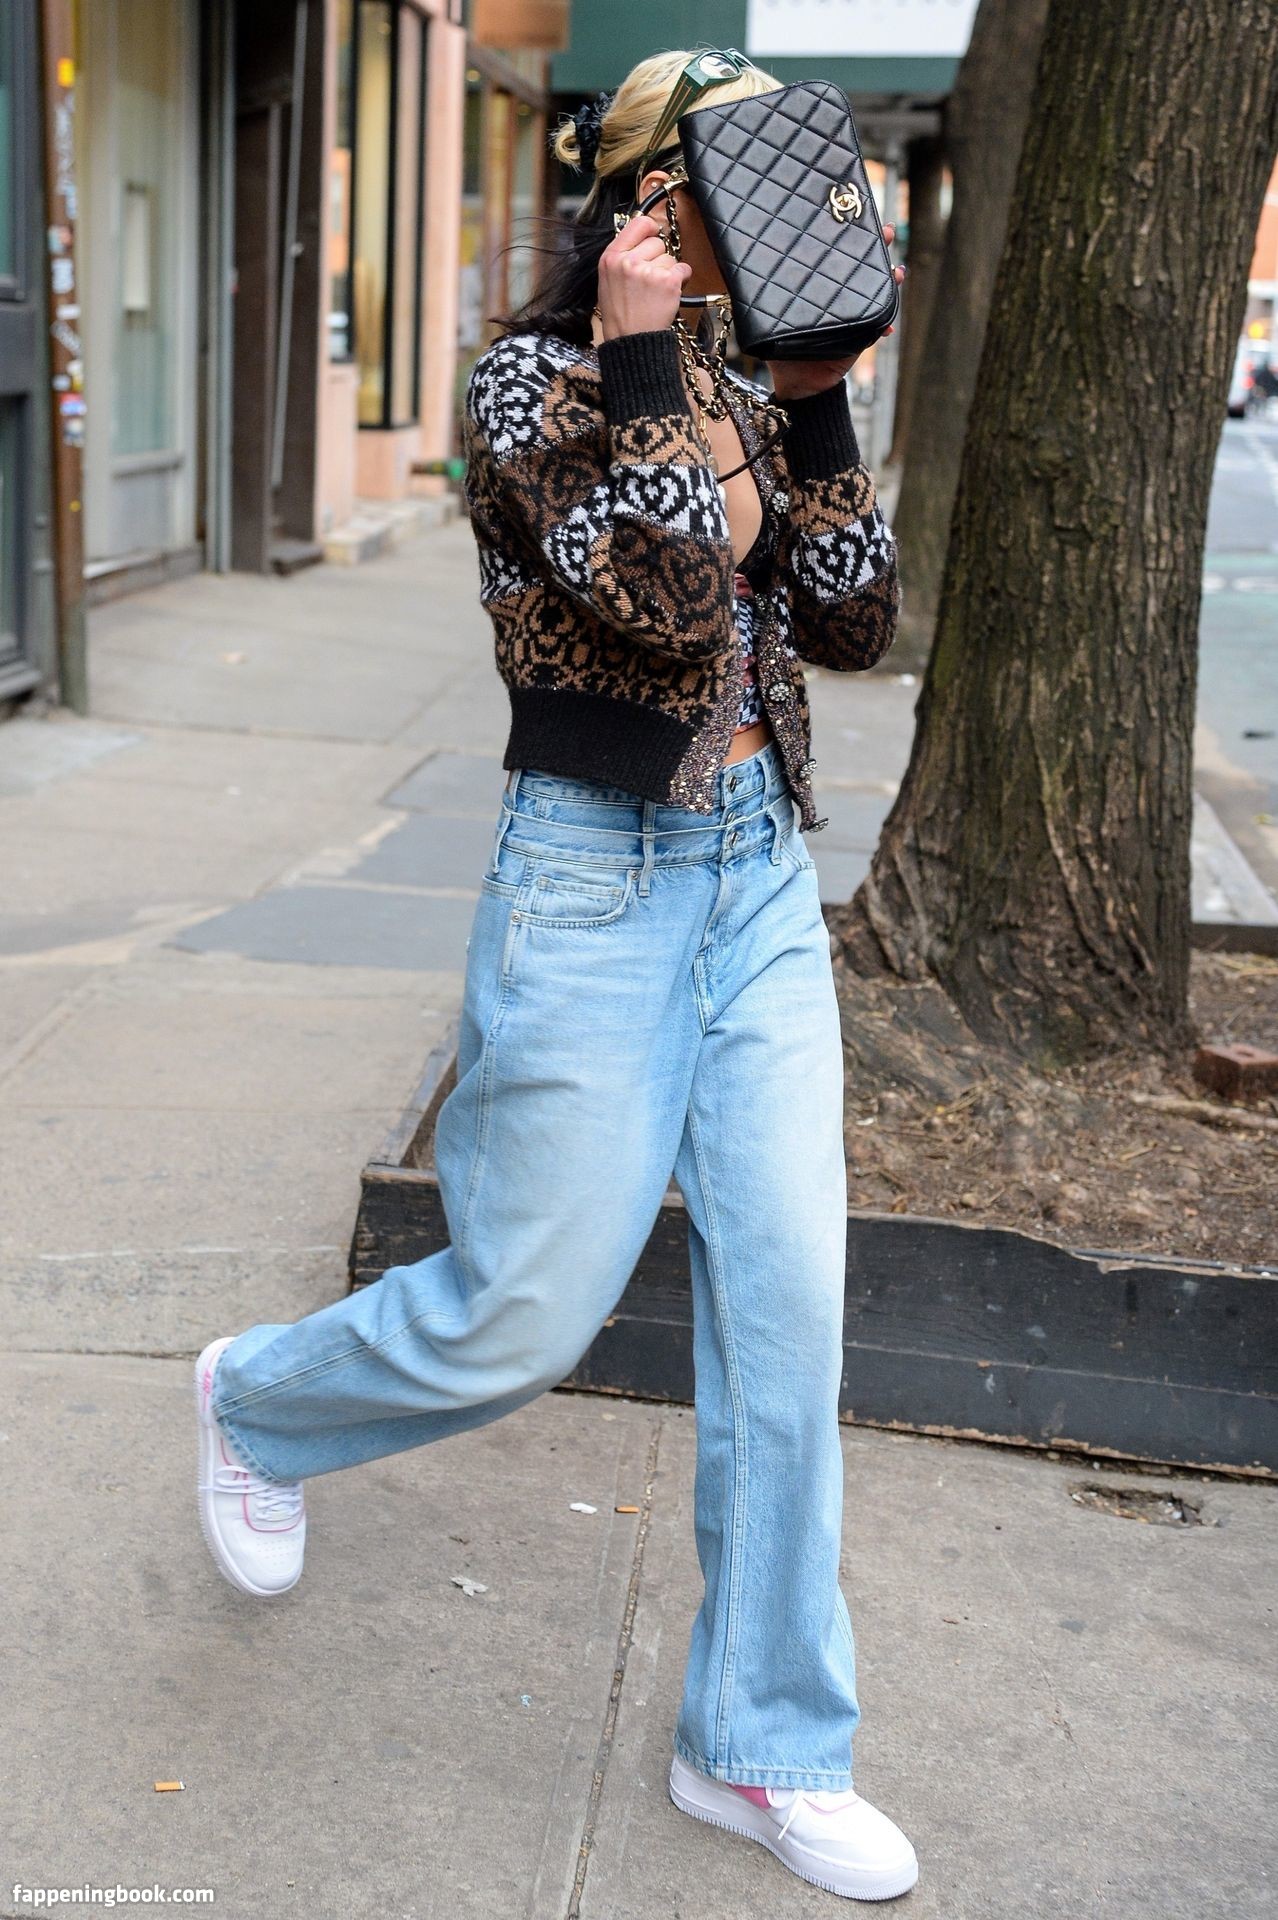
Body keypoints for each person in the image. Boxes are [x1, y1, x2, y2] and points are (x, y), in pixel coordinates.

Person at [193, 46, 918, 1904]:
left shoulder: (751, 377)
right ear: (652, 196)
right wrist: (646, 357)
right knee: (526, 1311)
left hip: (758, 883)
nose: (780, 216)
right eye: (741, 178)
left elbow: (850, 622)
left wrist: (818, 403)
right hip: (594, 885)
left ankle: (760, 1744)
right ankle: (260, 1402)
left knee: (790, 1321)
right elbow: (663, 607)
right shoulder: (534, 381)